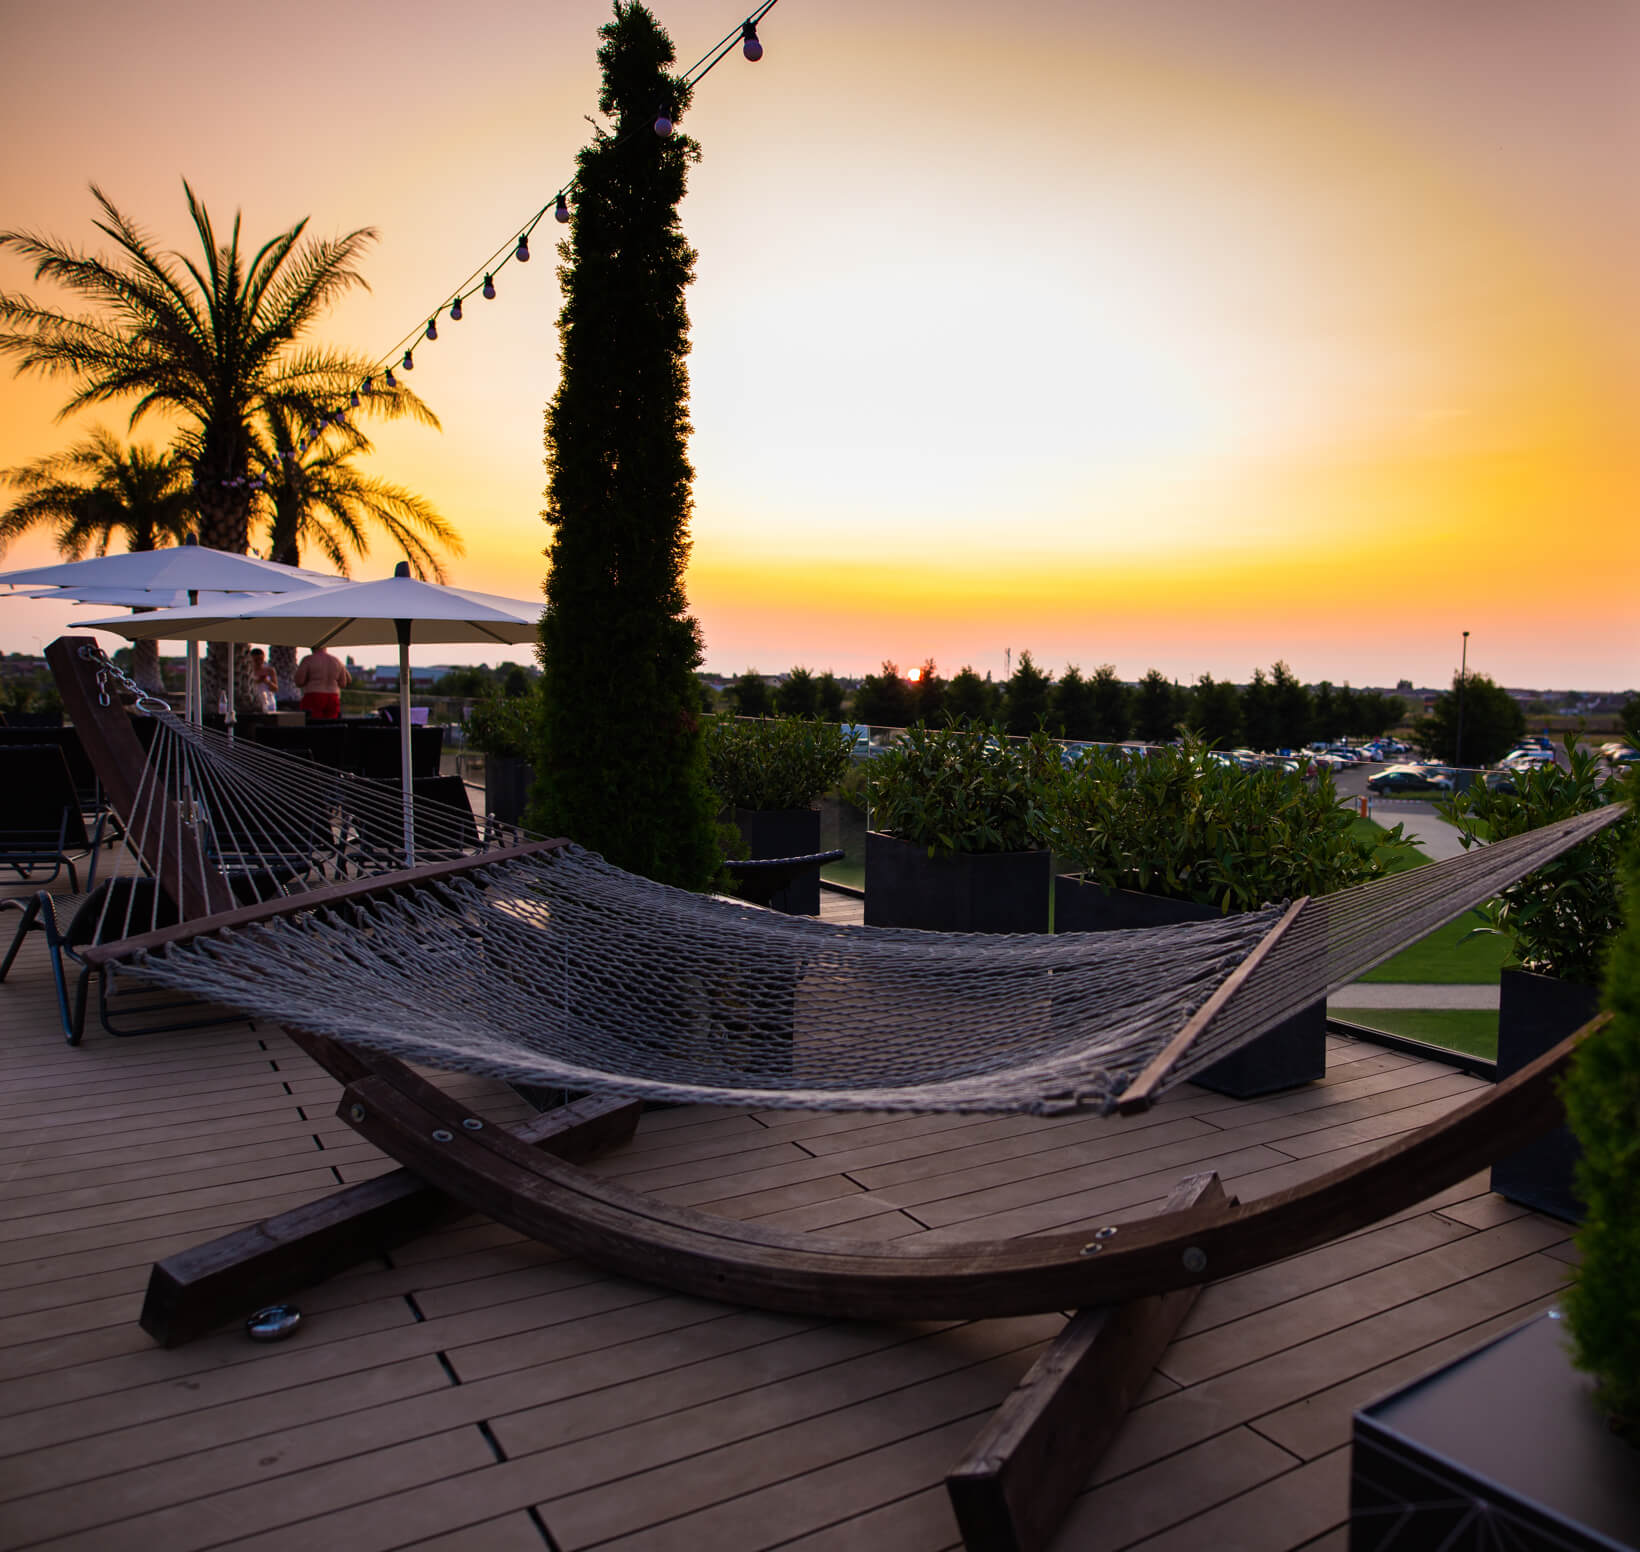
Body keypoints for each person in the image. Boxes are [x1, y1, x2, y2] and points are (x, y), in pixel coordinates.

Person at [293, 645, 350, 721]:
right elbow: (343, 683)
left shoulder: (309, 659)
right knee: (331, 725)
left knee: (312, 724)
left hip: (313, 696)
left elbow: (299, 681)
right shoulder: (336, 660)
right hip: (333, 696)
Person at [248, 648, 279, 714]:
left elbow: (275, 689)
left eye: (261, 659)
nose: (259, 662)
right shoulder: (248, 671)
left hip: (269, 701)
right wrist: (256, 681)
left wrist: (266, 681)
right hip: (254, 702)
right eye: (256, 660)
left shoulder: (269, 670)